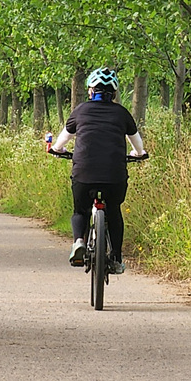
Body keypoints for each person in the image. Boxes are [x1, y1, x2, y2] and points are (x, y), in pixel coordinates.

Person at [48, 67, 147, 274]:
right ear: (114, 93)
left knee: (80, 210)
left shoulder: (81, 111)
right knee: (114, 210)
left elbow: (60, 143)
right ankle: (117, 258)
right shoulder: (122, 113)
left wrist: (58, 150)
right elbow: (138, 145)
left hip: (84, 173)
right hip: (114, 174)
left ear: (91, 91)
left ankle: (78, 242)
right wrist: (138, 154)